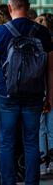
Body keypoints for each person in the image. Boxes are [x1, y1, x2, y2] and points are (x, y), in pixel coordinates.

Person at [0, 0, 53, 185]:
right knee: (31, 142)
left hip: (7, 94)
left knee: (6, 143)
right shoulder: (42, 32)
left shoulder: (1, 32)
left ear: (10, 7)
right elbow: (50, 69)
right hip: (34, 94)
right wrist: (49, 96)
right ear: (29, 6)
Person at [36, 13, 53, 174]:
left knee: (41, 128)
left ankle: (42, 164)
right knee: (51, 128)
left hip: (40, 88)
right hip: (50, 88)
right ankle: (51, 162)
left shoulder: (36, 44)